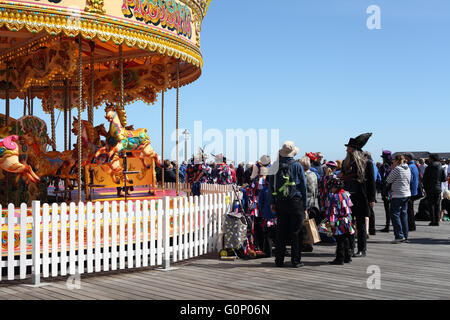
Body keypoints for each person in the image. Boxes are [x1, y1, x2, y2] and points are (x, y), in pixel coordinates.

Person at [269, 141, 308, 268]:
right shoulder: (298, 166)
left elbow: (271, 187)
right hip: (296, 201)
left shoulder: (275, 166)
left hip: (280, 201)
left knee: (280, 231)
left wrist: (272, 202)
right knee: (295, 232)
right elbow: (303, 187)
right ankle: (295, 260)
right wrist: (305, 205)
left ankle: (279, 260)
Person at [339, 133, 375, 258]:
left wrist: (372, 198)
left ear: (354, 149)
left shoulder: (366, 163)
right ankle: (349, 247)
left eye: (348, 147)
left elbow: (371, 182)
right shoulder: (345, 162)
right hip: (347, 197)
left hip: (360, 196)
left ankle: (362, 249)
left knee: (360, 224)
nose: (346, 149)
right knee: (348, 223)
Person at [326, 177, 355, 265]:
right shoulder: (345, 194)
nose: (331, 189)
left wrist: (331, 222)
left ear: (335, 187)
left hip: (339, 221)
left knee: (340, 241)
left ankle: (339, 258)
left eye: (332, 187)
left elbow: (333, 210)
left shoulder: (335, 197)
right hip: (347, 220)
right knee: (346, 239)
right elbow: (349, 207)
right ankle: (347, 256)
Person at [386, 154, 411, 243]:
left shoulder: (397, 169)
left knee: (394, 214)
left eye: (393, 160)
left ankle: (399, 235)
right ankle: (405, 235)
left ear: (397, 161)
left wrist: (392, 169)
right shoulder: (407, 168)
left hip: (398, 194)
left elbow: (388, 180)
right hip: (406, 194)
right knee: (403, 215)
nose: (392, 161)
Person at [423, 153, 447, 226]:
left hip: (430, 188)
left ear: (432, 159)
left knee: (431, 205)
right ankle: (437, 221)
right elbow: (444, 179)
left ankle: (432, 220)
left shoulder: (429, 167)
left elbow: (425, 179)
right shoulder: (441, 167)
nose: (429, 159)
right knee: (437, 205)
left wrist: (425, 188)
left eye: (429, 158)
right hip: (438, 188)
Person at [364, 151, 380, 237]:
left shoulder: (368, 164)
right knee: (371, 210)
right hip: (373, 188)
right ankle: (372, 229)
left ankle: (370, 229)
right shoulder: (374, 165)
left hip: (368, 189)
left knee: (368, 210)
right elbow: (379, 178)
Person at [379, 150, 393, 232]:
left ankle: (387, 226)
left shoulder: (383, 166)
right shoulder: (394, 165)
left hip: (386, 189)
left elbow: (382, 178)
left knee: (387, 209)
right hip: (394, 189)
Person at [404, 153, 419, 231]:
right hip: (413, 190)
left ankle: (411, 226)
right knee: (410, 209)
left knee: (409, 210)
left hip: (409, 190)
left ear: (409, 158)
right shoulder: (414, 166)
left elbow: (410, 179)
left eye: (405, 157)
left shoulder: (410, 167)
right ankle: (411, 225)